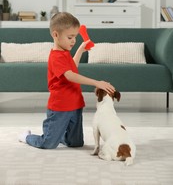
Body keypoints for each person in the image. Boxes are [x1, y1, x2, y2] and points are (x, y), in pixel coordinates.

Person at [19, 12, 115, 149]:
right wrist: (96, 83)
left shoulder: (65, 53)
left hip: (75, 104)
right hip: (60, 107)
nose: (73, 41)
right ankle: (26, 137)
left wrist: (81, 49)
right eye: (70, 37)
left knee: (75, 143)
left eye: (75, 37)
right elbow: (70, 76)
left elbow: (72, 68)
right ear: (55, 35)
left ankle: (57, 135)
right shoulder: (56, 57)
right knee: (48, 144)